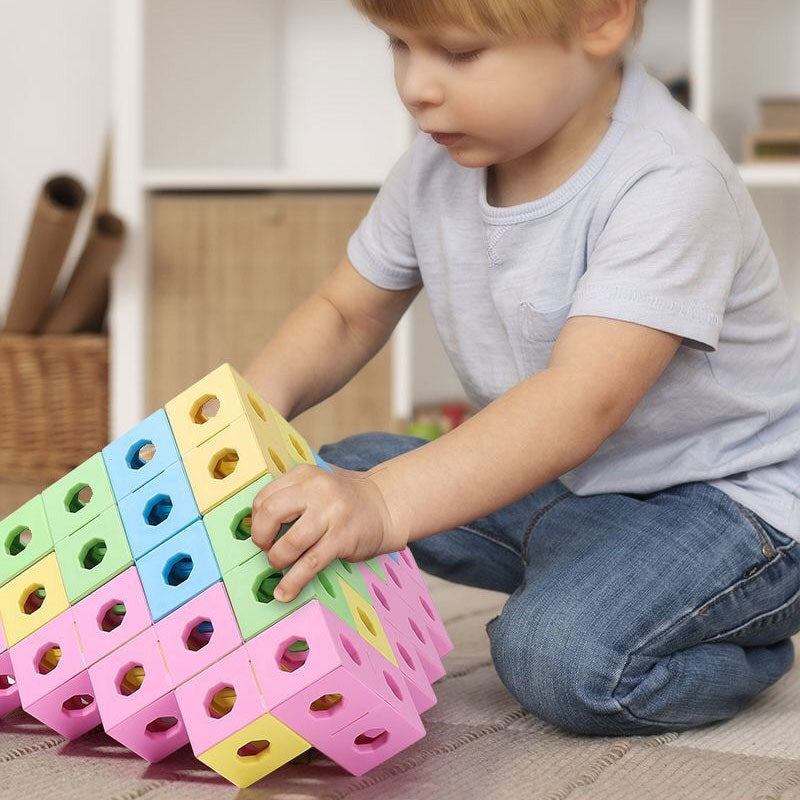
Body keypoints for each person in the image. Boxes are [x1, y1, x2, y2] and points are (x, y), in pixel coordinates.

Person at [243, 0, 800, 736]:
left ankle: (740, 644)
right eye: (399, 46)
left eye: (461, 54)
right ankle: (593, 576)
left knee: (557, 659)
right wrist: (241, 414)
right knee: (321, 477)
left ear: (599, 20)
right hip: (573, 486)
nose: (418, 86)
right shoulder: (432, 167)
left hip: (735, 507)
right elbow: (347, 313)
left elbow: (577, 405)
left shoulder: (668, 179)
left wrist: (381, 504)